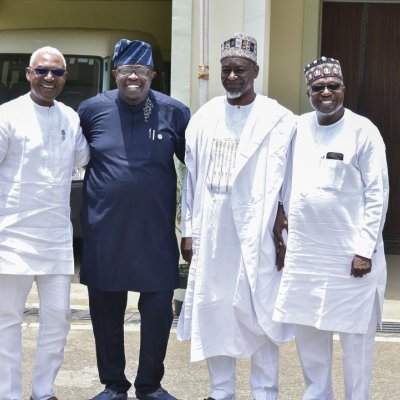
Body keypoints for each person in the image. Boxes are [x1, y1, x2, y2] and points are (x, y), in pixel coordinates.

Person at [177, 33, 296, 400]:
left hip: (258, 231)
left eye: (239, 70)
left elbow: (291, 180)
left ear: (255, 71)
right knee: (214, 308)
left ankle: (265, 391)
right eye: (226, 70)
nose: (231, 77)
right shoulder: (205, 117)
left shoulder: (279, 119)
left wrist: (286, 226)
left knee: (260, 312)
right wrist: (189, 230)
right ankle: (220, 390)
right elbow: (191, 181)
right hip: (213, 232)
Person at [78, 39, 190, 400]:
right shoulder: (90, 110)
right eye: (126, 70)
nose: (133, 77)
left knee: (157, 312)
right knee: (106, 313)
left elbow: (196, 170)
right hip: (104, 232)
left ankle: (150, 385)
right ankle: (113, 384)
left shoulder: (174, 112)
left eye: (141, 71)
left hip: (154, 233)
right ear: (115, 73)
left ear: (153, 75)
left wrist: (192, 227)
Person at [273, 56, 389, 400]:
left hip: (350, 257)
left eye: (332, 86)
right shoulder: (297, 128)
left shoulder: (363, 131)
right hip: (306, 254)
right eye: (318, 87)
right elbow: (281, 177)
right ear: (308, 92)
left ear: (344, 89)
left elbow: (377, 194)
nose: (326, 93)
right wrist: (280, 222)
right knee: (309, 333)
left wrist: (364, 251)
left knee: (356, 338)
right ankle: (318, 394)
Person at [0, 46, 89, 400]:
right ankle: (8, 392)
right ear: (28, 74)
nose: (49, 78)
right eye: (42, 71)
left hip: (56, 237)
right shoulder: (7, 115)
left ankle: (43, 389)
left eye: (57, 72)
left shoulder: (70, 117)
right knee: (7, 319)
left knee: (58, 318)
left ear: (65, 78)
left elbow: (83, 158)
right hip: (12, 235)